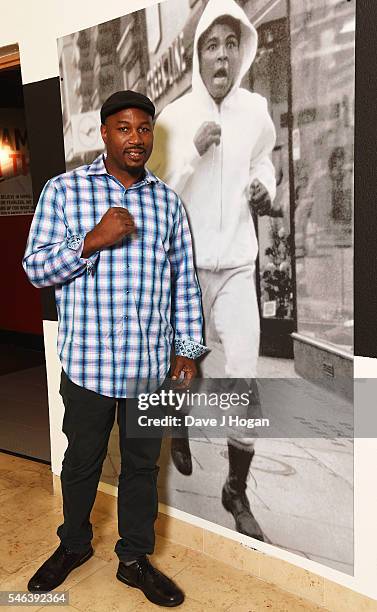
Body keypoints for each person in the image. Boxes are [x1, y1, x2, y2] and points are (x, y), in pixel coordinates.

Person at [22, 90, 207, 607]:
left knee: (142, 469)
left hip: (149, 369)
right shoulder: (64, 192)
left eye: (144, 128)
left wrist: (187, 352)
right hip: (88, 366)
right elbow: (34, 268)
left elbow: (184, 283)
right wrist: (91, 240)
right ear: (103, 133)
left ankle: (134, 560)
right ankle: (74, 546)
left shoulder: (168, 202)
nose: (136, 138)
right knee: (81, 462)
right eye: (124, 128)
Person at [149, 0, 276, 541]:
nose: (221, 55)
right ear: (197, 54)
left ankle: (236, 490)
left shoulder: (256, 109)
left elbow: (263, 159)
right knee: (185, 364)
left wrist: (264, 186)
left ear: (241, 49)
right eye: (211, 45)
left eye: (230, 43)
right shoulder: (174, 118)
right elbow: (154, 193)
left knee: (244, 372)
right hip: (186, 269)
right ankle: (177, 426)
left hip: (237, 267)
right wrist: (191, 156)